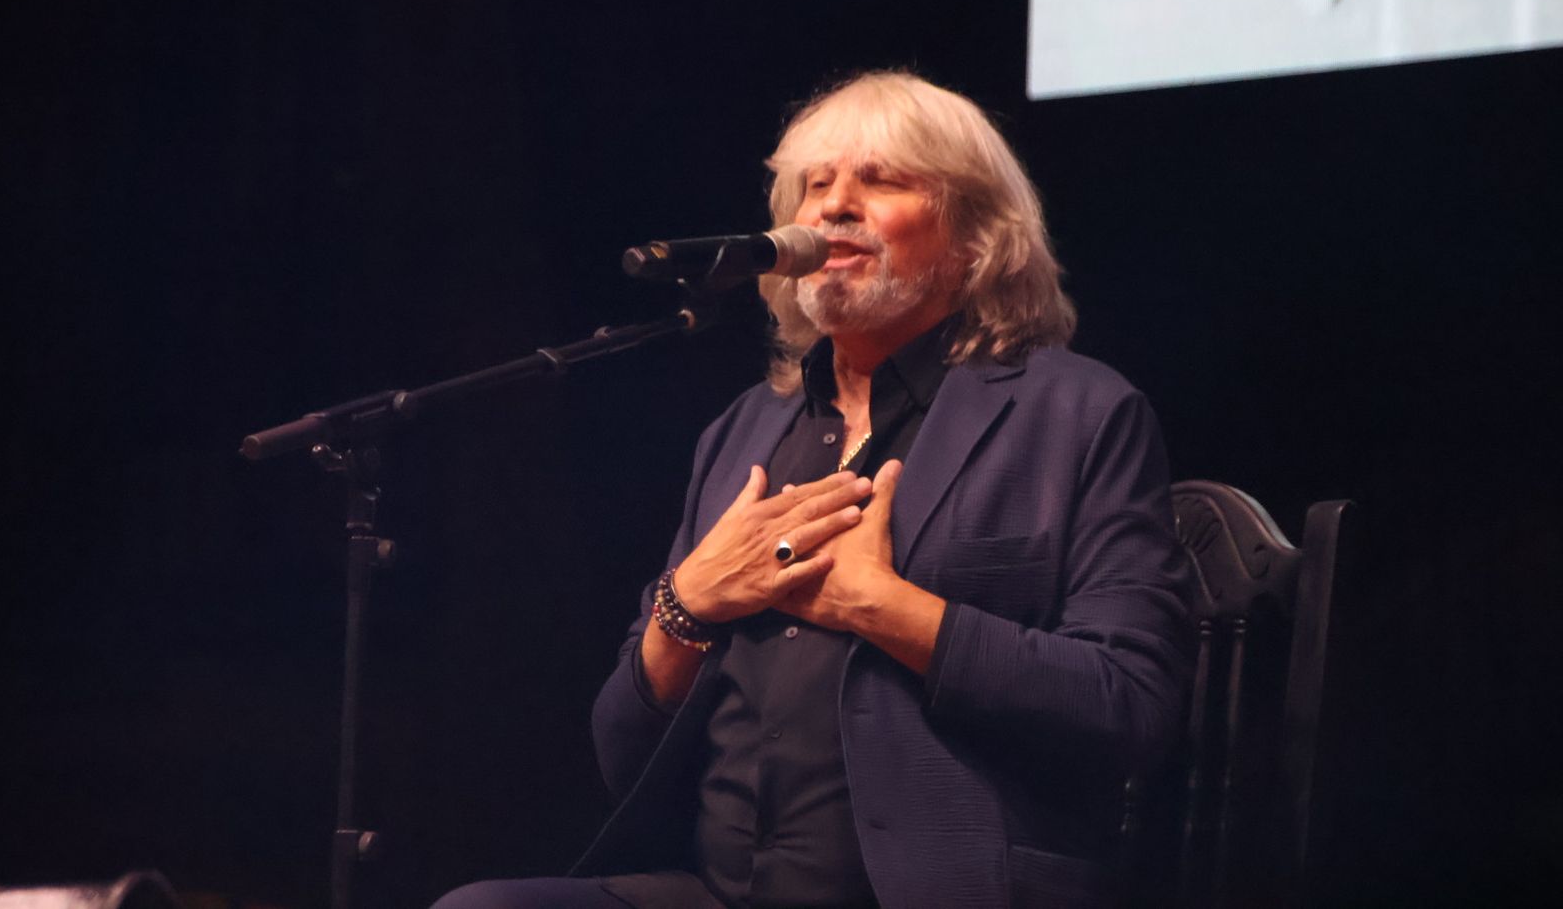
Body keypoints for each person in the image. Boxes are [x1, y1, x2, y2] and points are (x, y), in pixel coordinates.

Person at [431, 72, 1192, 909]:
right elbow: (621, 752)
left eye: (883, 179)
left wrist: (883, 606)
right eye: (814, 185)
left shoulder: (1075, 413)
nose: (833, 207)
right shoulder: (744, 430)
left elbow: (1130, 709)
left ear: (976, 238)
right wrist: (688, 602)